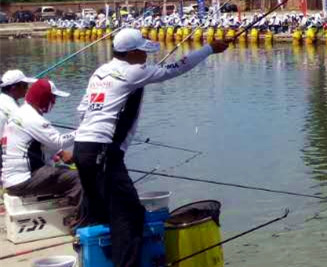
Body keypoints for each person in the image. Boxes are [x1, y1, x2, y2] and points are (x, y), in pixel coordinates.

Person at [74, 29, 230, 267]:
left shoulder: (100, 72)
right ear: (132, 53)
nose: (146, 56)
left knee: (100, 211)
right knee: (129, 216)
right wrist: (209, 49)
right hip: (104, 153)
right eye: (143, 51)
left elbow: (82, 110)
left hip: (83, 148)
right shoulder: (133, 72)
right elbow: (176, 68)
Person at [2, 79, 79, 207]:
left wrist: (61, 154)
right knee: (80, 178)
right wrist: (84, 130)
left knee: (65, 170)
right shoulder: (32, 118)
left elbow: (45, 145)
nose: (54, 102)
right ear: (44, 98)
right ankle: (84, 217)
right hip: (23, 180)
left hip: (12, 180)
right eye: (53, 98)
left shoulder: (21, 113)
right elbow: (58, 141)